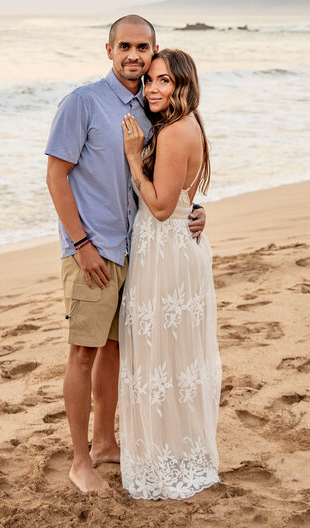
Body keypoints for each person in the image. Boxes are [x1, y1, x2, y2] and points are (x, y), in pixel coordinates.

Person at [45, 16, 206, 494]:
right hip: (92, 251)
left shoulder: (152, 107)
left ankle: (105, 443)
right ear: (109, 49)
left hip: (138, 252)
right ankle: (79, 463)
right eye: (125, 46)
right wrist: (81, 245)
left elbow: (171, 178)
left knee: (114, 352)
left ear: (154, 49)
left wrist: (195, 210)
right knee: (81, 353)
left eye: (143, 47)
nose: (134, 56)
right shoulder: (82, 103)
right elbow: (56, 177)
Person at [118, 49, 221, 500]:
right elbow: (183, 199)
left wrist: (133, 158)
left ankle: (167, 455)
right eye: (152, 80)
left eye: (165, 82)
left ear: (183, 86)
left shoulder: (176, 131)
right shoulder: (189, 122)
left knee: (161, 355)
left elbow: (160, 207)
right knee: (173, 356)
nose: (154, 89)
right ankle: (179, 447)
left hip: (165, 250)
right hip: (178, 246)